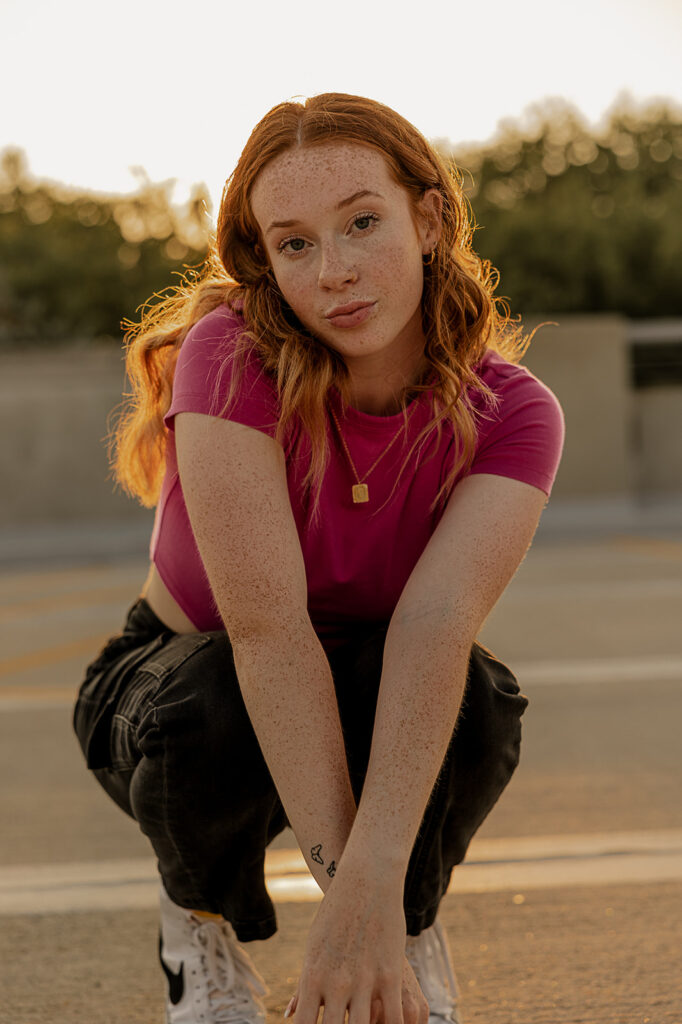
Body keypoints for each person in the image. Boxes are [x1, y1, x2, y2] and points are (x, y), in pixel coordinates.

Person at [73, 92, 564, 1024]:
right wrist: (351, 905)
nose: (334, 271)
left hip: (376, 674)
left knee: (476, 702)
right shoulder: (230, 354)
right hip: (176, 684)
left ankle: (406, 928)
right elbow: (265, 632)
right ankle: (197, 923)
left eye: (363, 223)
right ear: (266, 261)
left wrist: (375, 901)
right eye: (295, 243)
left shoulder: (516, 412)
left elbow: (433, 627)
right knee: (208, 704)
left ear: (428, 218)